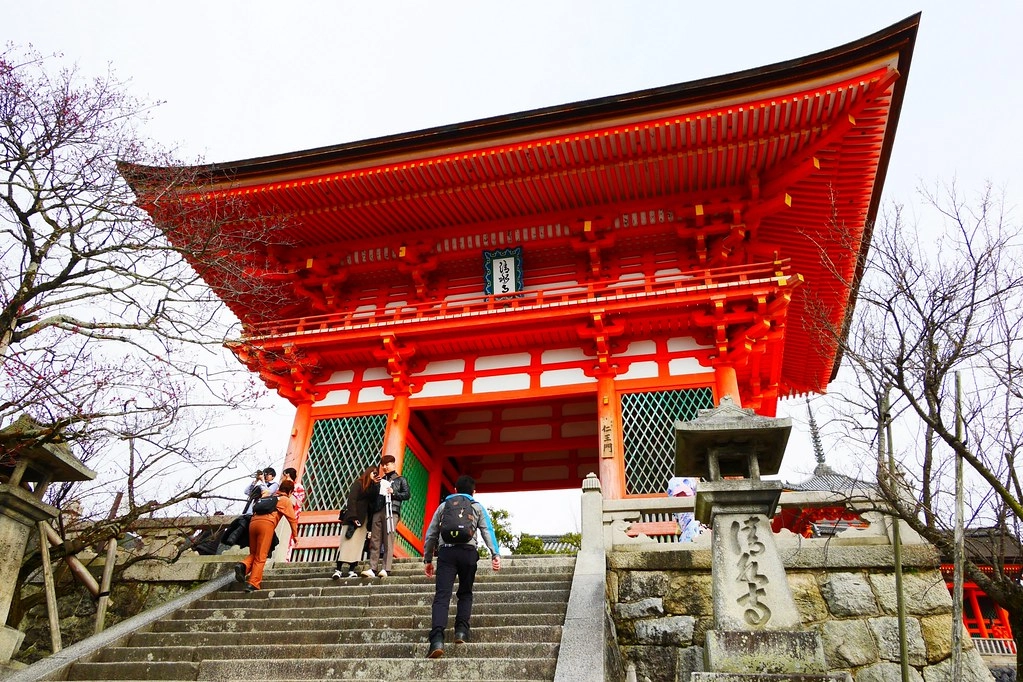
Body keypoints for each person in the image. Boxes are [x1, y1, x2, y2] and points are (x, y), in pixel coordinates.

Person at [422, 475, 501, 658]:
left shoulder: (443, 506)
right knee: (465, 593)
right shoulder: (476, 507)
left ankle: (436, 640)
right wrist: (494, 554)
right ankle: (461, 632)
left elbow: (432, 533)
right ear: (474, 492)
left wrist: (427, 559)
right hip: (468, 553)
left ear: (455, 490)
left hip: (446, 552)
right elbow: (487, 530)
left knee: (442, 596)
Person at [234, 478, 298, 592]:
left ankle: (243, 566)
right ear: (290, 492)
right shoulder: (284, 500)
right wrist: (295, 535)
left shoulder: (268, 497)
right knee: (261, 556)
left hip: (253, 524)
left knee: (254, 553)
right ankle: (253, 583)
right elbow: (292, 519)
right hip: (266, 524)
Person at [363, 454, 410, 578]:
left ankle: (386, 568)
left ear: (393, 464)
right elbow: (372, 496)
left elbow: (407, 494)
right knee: (375, 539)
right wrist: (373, 483)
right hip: (378, 510)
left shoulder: (401, 479)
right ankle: (372, 568)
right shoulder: (380, 480)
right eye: (383, 465)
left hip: (392, 511)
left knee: (388, 539)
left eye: (387, 464)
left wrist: (394, 492)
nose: (384, 467)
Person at [331, 465, 379, 579]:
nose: (375, 474)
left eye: (376, 473)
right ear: (368, 472)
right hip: (353, 519)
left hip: (364, 520)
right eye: (373, 472)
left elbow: (374, 500)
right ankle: (338, 569)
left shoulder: (372, 487)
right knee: (346, 543)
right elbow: (351, 500)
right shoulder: (358, 483)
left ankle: (352, 569)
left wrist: (376, 485)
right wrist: (353, 517)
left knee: (357, 546)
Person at [281, 467, 306, 561]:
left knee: (290, 535)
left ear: (287, 474)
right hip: (283, 511)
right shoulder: (283, 485)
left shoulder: (298, 486)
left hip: (292, 512)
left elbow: (299, 502)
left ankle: (287, 556)